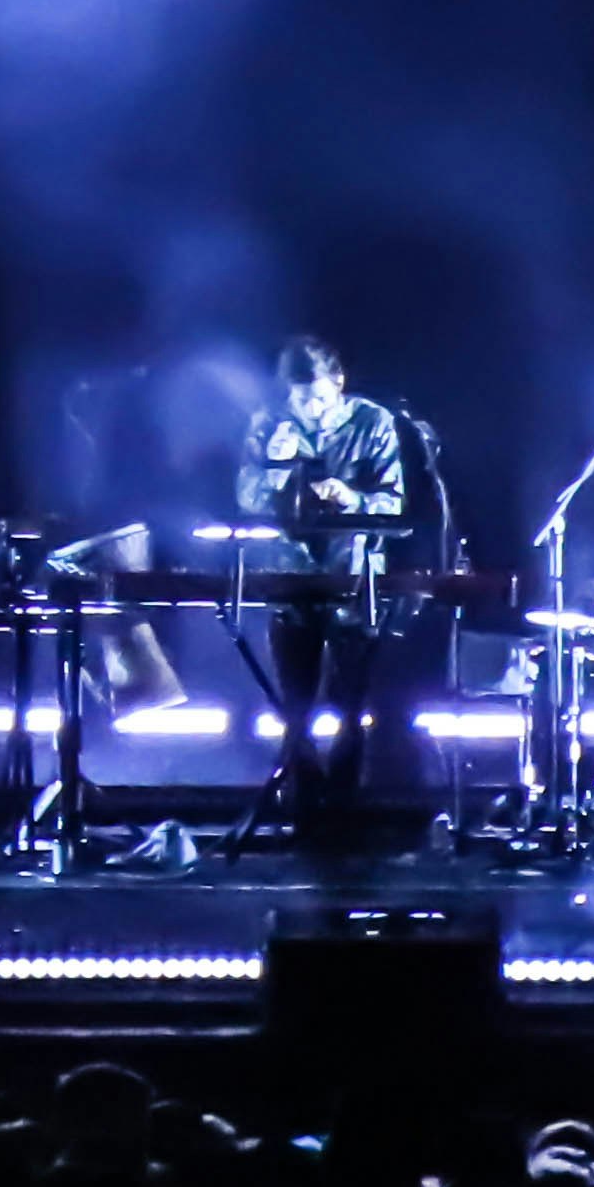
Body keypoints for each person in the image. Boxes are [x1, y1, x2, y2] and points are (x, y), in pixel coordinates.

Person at [230, 338, 418, 837]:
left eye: (318, 397)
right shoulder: (269, 424)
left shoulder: (373, 423)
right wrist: (274, 469)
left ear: (339, 383)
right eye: (299, 399)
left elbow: (394, 502)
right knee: (294, 700)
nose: (310, 409)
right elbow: (246, 498)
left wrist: (349, 497)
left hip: (353, 576)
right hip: (289, 576)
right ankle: (301, 805)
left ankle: (346, 806)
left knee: (352, 703)